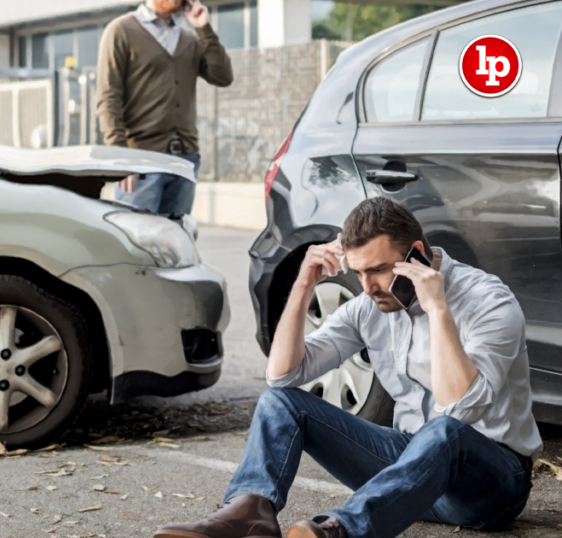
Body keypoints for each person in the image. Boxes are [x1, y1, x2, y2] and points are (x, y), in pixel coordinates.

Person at [154, 196, 541, 538]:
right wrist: (304, 283)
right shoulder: (368, 307)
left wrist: (437, 309)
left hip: (488, 485)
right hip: (409, 475)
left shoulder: (488, 301)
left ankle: (344, 530)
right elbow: (283, 375)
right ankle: (250, 512)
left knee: (445, 430)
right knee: (281, 402)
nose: (367, 286)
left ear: (417, 255)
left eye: (378, 270)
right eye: (358, 273)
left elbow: (460, 408)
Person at [96, 0, 233, 216]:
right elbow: (108, 98)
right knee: (137, 242)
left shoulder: (189, 38)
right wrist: (120, 157)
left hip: (185, 158)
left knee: (174, 242)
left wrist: (203, 28)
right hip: (141, 160)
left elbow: (223, 76)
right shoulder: (121, 30)